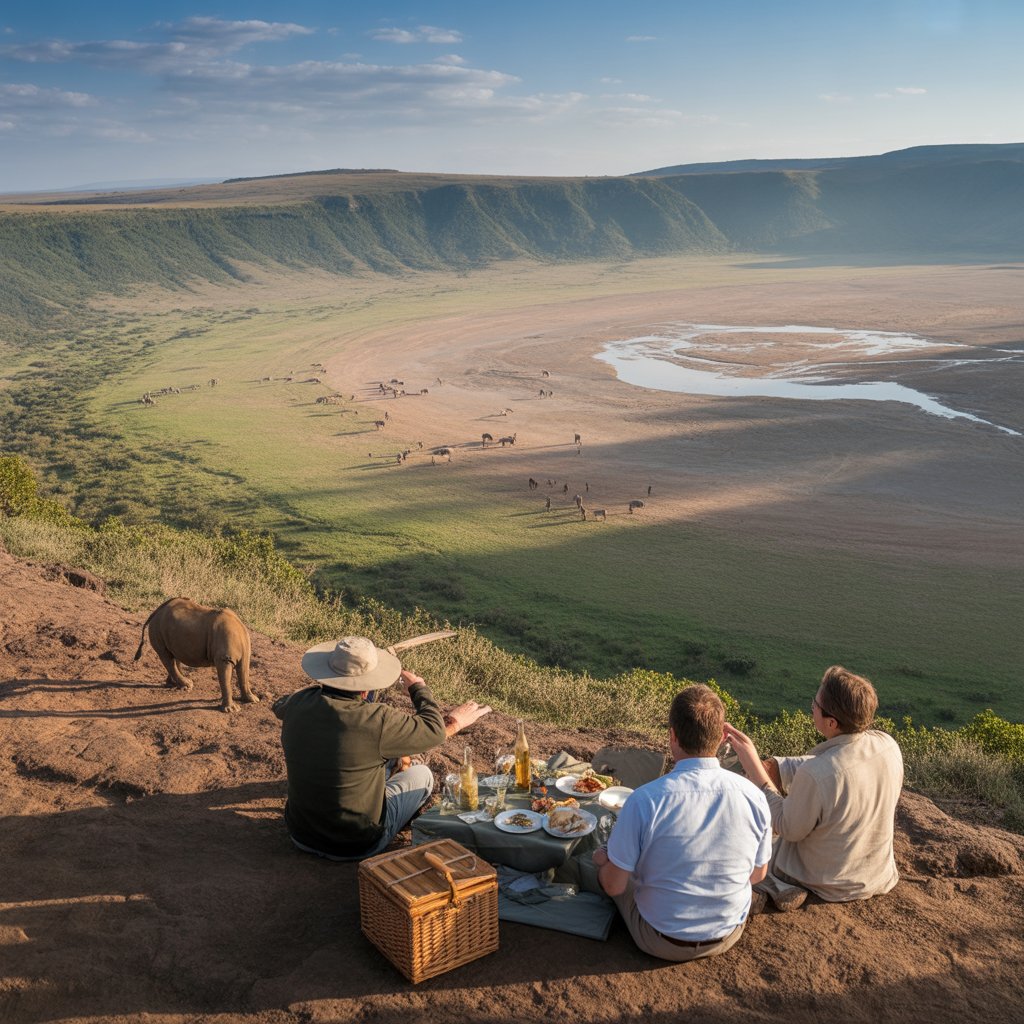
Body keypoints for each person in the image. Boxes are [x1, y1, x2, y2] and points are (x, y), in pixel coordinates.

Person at [593, 684, 772, 962]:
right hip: (728, 932)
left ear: (672, 736)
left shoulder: (644, 800)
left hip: (659, 939)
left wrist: (604, 862)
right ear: (723, 737)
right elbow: (757, 876)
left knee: (606, 869)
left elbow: (615, 886)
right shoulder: (754, 797)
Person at [273, 635, 491, 861]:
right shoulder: (378, 720)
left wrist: (313, 693)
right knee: (422, 774)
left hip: (300, 834)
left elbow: (279, 706)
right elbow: (434, 730)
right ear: (367, 689)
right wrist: (418, 689)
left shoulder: (298, 704)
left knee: (382, 760)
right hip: (357, 844)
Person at [724, 665, 904, 906]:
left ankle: (773, 886)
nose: (812, 707)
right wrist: (776, 766)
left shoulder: (815, 774)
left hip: (826, 881)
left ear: (831, 722)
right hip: (876, 875)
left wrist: (759, 777)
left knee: (746, 837)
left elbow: (786, 827)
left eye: (815, 704)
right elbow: (833, 765)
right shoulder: (887, 745)